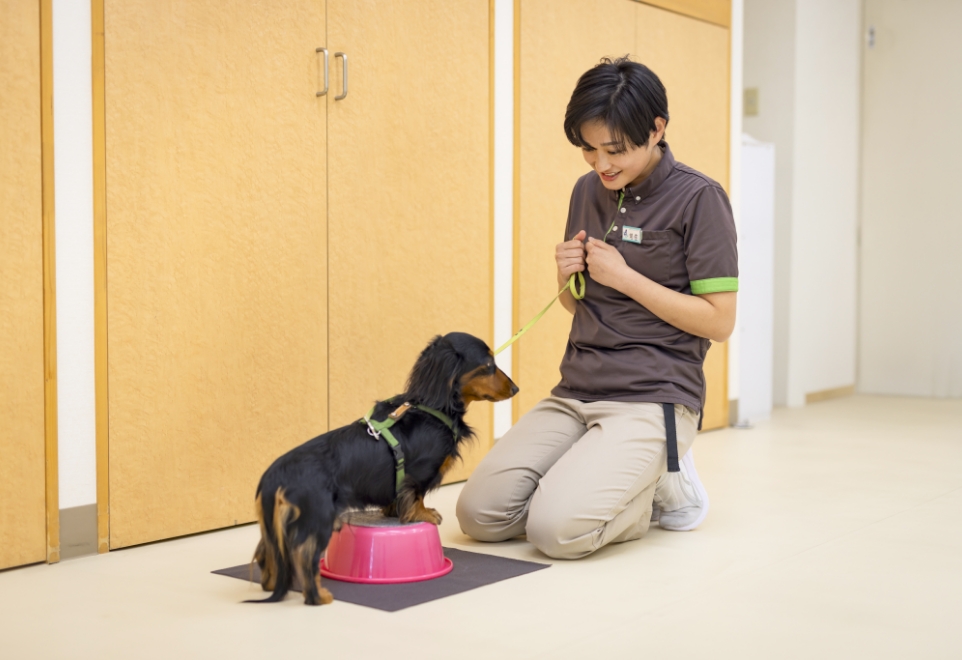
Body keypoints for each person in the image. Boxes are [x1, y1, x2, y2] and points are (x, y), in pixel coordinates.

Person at [456, 57, 738, 559]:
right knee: (480, 515)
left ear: (656, 130)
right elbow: (574, 304)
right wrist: (565, 275)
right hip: (577, 391)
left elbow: (719, 321)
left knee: (556, 532)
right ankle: (611, 475)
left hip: (654, 396)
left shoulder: (700, 198)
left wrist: (627, 279)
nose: (601, 164)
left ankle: (658, 482)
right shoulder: (587, 190)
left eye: (615, 150)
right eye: (588, 149)